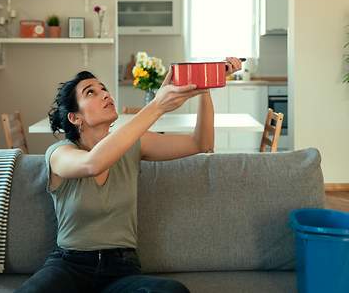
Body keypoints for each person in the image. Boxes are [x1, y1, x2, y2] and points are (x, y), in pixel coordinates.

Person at [16, 58, 243, 293]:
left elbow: (201, 143)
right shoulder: (60, 154)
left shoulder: (134, 145)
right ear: (75, 117)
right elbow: (93, 163)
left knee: (171, 291)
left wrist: (204, 88)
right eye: (90, 92)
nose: (105, 94)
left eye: (103, 88)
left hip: (121, 270)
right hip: (69, 266)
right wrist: (157, 106)